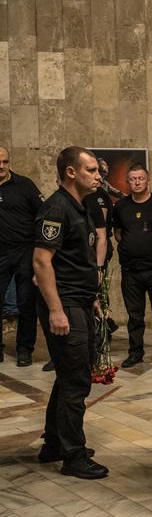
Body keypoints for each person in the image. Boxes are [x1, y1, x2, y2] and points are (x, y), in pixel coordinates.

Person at [32, 146, 107, 479]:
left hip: (79, 300)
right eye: (91, 169)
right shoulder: (56, 208)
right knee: (77, 381)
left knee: (69, 376)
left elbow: (76, 261)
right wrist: (56, 311)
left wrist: (90, 296)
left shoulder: (82, 207)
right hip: (65, 306)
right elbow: (41, 261)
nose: (98, 175)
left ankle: (54, 443)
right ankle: (73, 456)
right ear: (71, 172)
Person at [112, 164, 152, 368]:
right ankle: (135, 352)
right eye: (133, 179)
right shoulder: (121, 206)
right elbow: (118, 233)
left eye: (140, 178)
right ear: (128, 182)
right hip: (130, 271)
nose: (136, 182)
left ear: (147, 180)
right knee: (134, 315)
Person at [0, 146, 42, 366]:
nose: (1, 166)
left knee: (26, 303)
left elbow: (42, 215)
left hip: (24, 251)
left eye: (5, 162)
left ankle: (24, 349)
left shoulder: (25, 185)